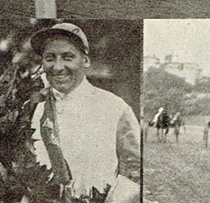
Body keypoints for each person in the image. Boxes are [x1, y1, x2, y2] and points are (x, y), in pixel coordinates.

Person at [30, 23, 140, 202]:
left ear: (85, 60)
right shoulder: (34, 108)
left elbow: (135, 171)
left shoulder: (114, 107)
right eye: (50, 58)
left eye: (68, 57)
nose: (58, 67)